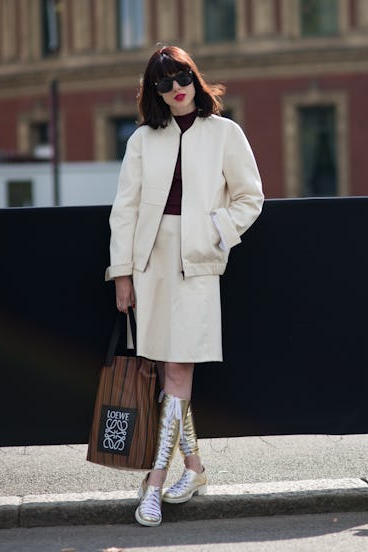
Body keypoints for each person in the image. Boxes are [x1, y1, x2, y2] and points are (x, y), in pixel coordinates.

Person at [105, 45, 264, 527]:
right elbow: (125, 211)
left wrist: (214, 232)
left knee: (177, 371)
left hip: (197, 266)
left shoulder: (225, 133)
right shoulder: (142, 141)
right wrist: (123, 274)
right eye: (164, 83)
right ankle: (193, 468)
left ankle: (152, 483)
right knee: (167, 373)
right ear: (154, 93)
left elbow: (250, 198)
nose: (176, 88)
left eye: (182, 77)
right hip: (149, 266)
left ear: (195, 78)